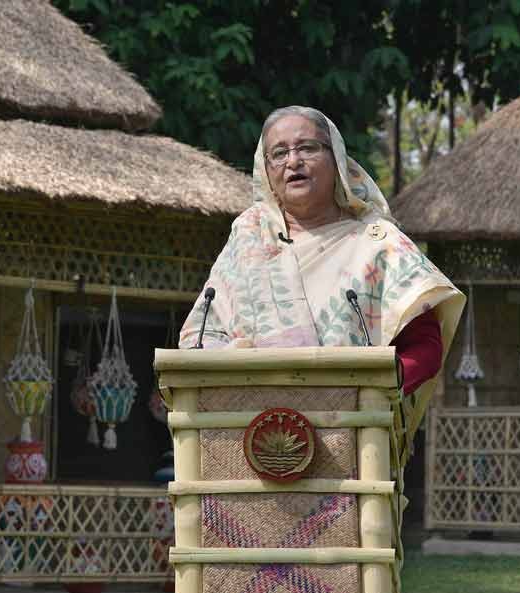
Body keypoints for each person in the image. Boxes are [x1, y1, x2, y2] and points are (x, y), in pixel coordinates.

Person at [180, 105, 464, 404]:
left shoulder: (379, 244)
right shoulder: (248, 239)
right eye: (279, 153)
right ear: (265, 170)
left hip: (353, 428)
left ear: (337, 159)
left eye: (307, 148)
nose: (293, 161)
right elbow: (200, 338)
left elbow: (425, 347)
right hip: (247, 427)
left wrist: (373, 391)